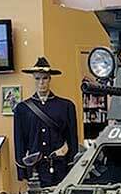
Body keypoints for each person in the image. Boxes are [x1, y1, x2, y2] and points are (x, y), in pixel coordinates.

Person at [14, 57, 78, 187]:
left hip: (60, 164)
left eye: (45, 78)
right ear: (33, 79)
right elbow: (19, 141)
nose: (41, 82)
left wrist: (72, 164)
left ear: (50, 79)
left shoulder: (66, 106)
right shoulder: (22, 108)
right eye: (37, 78)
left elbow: (72, 138)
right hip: (35, 167)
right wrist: (22, 170)